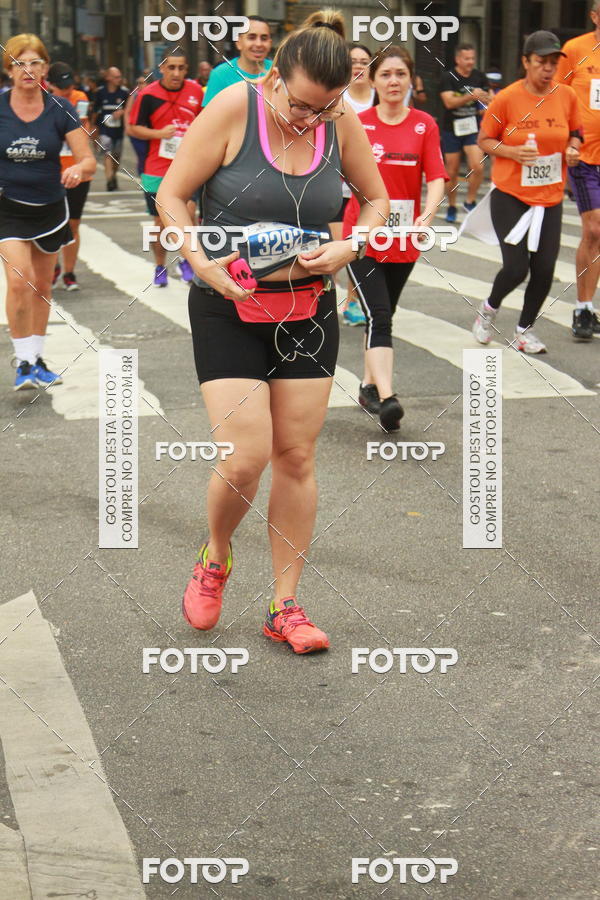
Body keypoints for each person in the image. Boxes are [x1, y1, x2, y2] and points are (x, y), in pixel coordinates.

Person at [156, 10, 388, 653]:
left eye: (328, 107)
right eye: (304, 105)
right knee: (246, 455)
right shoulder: (235, 106)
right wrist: (200, 262)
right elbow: (172, 196)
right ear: (276, 78)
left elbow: (376, 201)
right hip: (227, 305)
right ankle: (217, 555)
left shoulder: (338, 121)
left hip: (307, 308)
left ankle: (284, 605)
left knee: (296, 456)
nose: (313, 119)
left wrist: (351, 246)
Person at [343, 46, 447, 431]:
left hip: (404, 239)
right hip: (363, 236)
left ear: (410, 80)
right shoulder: (356, 122)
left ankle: (369, 385)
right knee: (379, 315)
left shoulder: (425, 124)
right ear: (371, 80)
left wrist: (426, 216)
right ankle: (388, 398)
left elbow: (435, 176)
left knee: (382, 315)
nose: (393, 81)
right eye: (385, 74)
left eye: (400, 74)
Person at [470, 31, 582, 354]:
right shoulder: (506, 98)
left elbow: (576, 134)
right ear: (525, 62)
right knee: (517, 267)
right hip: (511, 196)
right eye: (540, 62)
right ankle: (488, 311)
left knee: (545, 268)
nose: (547, 69)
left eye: (552, 63)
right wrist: (513, 152)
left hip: (549, 197)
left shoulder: (567, 96)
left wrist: (573, 150)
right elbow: (485, 140)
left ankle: (524, 330)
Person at [0, 34, 95, 390]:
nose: (28, 70)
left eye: (35, 63)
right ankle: (22, 361)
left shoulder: (60, 108)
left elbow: (88, 160)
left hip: (51, 206)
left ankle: (36, 359)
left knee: (41, 285)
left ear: (44, 68)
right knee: (18, 279)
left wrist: (78, 169)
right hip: (7, 205)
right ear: (9, 69)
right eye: (20, 63)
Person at [128, 51, 203, 287]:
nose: (176, 73)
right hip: (156, 169)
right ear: (162, 68)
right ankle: (160, 265)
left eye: (181, 68)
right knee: (161, 224)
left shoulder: (195, 92)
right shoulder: (148, 95)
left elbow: (206, 123)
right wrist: (159, 134)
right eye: (171, 68)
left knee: (189, 216)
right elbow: (133, 128)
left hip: (188, 167)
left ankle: (187, 261)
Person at [558, 3, 600, 340]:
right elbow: (555, 94)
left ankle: (587, 307)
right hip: (585, 156)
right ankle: (582, 308)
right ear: (595, 15)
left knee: (596, 235)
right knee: (595, 229)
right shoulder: (575, 50)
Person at [331, 43, 375, 327]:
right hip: (335, 188)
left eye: (364, 62)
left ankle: (352, 301)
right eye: (353, 62)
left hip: (365, 190)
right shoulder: (335, 99)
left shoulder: (380, 99)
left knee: (359, 248)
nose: (359, 67)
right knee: (338, 248)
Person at [46, 62, 92, 291]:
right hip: (51, 171)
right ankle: (52, 265)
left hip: (76, 170)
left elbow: (84, 128)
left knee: (73, 224)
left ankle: (69, 272)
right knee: (53, 224)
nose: (67, 90)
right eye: (61, 87)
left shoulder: (80, 97)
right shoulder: (43, 102)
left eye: (69, 85)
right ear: (49, 84)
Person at [439, 43, 491, 222]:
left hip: (472, 127)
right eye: (466, 59)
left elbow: (489, 97)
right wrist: (471, 96)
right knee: (451, 170)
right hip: (451, 128)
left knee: (478, 166)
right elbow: (449, 102)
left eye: (472, 59)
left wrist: (485, 104)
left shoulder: (479, 76)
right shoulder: (448, 77)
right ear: (458, 59)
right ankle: (452, 206)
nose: (470, 62)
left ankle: (470, 200)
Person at [202, 17, 272, 106]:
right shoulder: (220, 74)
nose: (258, 44)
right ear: (238, 42)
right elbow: (209, 117)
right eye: (251, 37)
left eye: (264, 38)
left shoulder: (279, 72)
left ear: (270, 43)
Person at [92, 66, 128, 190]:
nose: (119, 79)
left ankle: (113, 175)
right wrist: (93, 129)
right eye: (116, 77)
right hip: (104, 129)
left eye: (120, 77)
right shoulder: (100, 92)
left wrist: (122, 112)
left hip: (118, 130)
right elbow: (95, 112)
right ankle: (109, 181)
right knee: (107, 153)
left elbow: (130, 110)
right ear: (108, 78)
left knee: (116, 155)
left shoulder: (124, 92)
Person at [124, 75, 150, 176]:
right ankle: (143, 174)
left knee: (148, 156)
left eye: (142, 83)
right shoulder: (134, 96)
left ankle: (147, 174)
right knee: (142, 155)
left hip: (149, 132)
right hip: (136, 132)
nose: (140, 85)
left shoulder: (151, 95)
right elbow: (127, 112)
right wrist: (127, 127)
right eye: (138, 83)